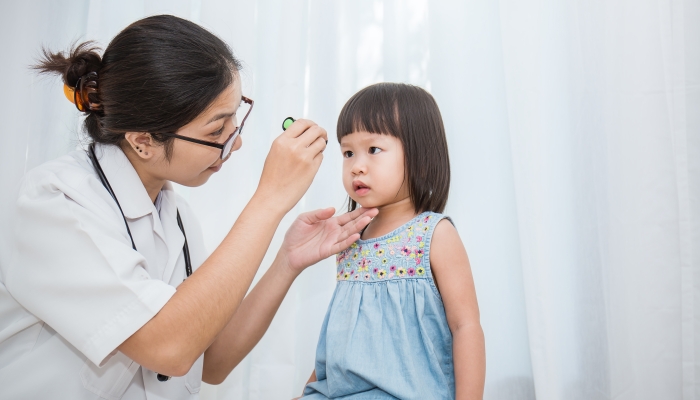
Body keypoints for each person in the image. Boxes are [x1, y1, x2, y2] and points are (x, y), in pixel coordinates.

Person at [0, 15, 377, 399]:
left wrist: (287, 262)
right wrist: (269, 200)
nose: (235, 143)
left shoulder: (177, 219)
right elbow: (170, 348)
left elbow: (211, 361)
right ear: (142, 141)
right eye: (216, 131)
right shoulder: (56, 202)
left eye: (235, 120)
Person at [300, 83, 486, 399]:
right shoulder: (349, 239)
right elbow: (340, 332)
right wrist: (309, 390)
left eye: (373, 149)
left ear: (420, 157)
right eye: (348, 152)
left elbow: (465, 327)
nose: (356, 165)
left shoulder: (434, 234)